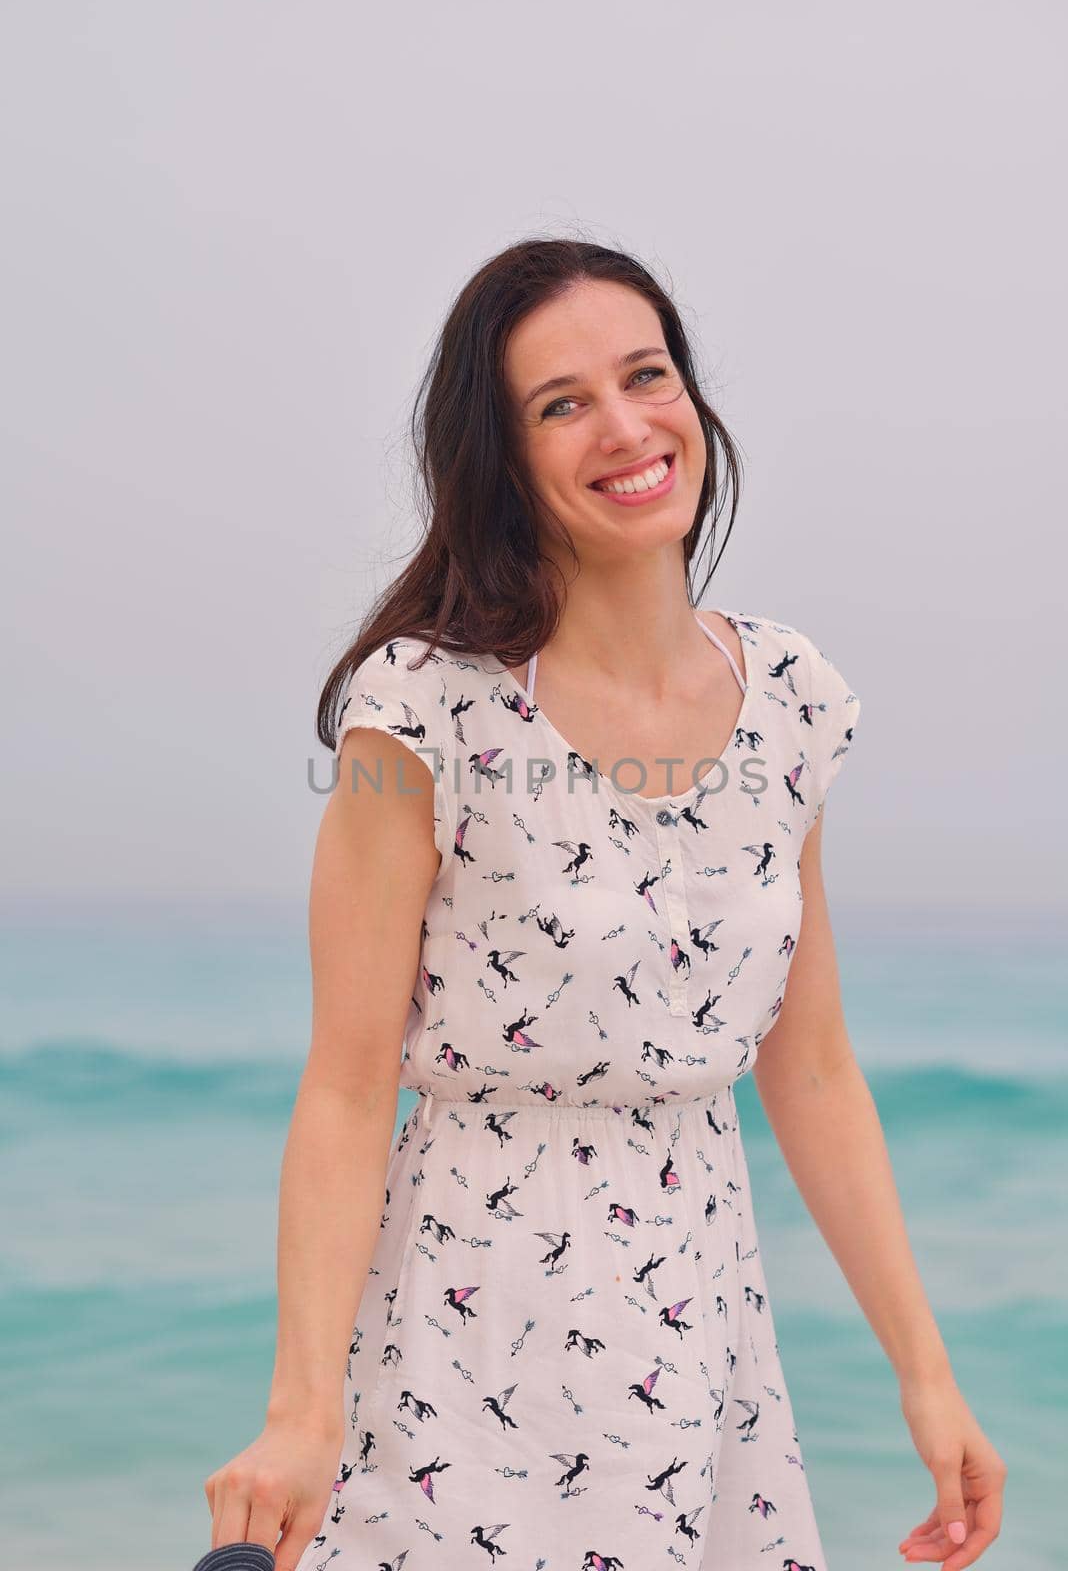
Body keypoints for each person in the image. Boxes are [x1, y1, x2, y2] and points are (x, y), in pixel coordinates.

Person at [202, 239, 1006, 1570]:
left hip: (703, 1323)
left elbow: (808, 1071)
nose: (627, 427)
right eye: (560, 404)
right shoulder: (425, 709)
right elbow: (346, 1089)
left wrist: (928, 1374)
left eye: (648, 376)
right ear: (502, 460)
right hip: (471, 1327)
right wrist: (302, 1411)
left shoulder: (791, 700)